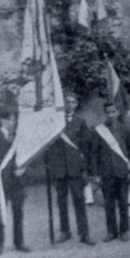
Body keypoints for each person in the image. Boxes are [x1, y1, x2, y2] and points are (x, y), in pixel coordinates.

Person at [46, 92, 96, 246]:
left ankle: (84, 234)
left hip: (75, 169)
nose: (69, 105)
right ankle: (64, 231)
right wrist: (51, 166)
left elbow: (86, 147)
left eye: (73, 102)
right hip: (59, 169)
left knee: (79, 201)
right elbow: (48, 146)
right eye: (67, 102)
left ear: (76, 104)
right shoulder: (55, 122)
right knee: (61, 201)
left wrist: (86, 169)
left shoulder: (80, 122)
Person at [0, 108, 31, 257]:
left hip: (17, 181)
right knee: (0, 213)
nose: (12, 123)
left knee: (18, 212)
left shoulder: (19, 138)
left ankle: (19, 242)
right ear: (2, 120)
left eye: (14, 120)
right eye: (8, 120)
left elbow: (27, 156)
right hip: (1, 182)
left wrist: (24, 169)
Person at [91, 102, 130, 242]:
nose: (110, 115)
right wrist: (96, 174)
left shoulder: (126, 129)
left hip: (122, 172)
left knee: (123, 202)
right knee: (109, 203)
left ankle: (124, 230)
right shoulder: (99, 131)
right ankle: (111, 231)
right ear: (104, 114)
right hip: (106, 173)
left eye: (113, 111)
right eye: (107, 112)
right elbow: (94, 153)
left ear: (117, 112)